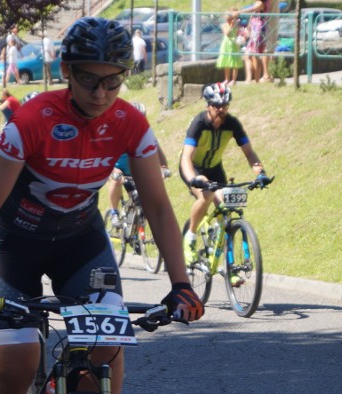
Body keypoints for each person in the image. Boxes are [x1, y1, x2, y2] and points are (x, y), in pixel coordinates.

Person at [0, 17, 204, 394]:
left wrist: (181, 284)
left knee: (106, 347)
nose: (101, 93)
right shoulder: (29, 121)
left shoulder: (130, 122)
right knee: (15, 366)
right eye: (89, 80)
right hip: (16, 243)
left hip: (80, 242)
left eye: (113, 82)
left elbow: (158, 206)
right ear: (67, 71)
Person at [179, 83, 270, 267]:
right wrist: (193, 179)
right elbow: (186, 158)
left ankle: (229, 266)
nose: (221, 110)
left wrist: (260, 173)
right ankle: (190, 237)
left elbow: (249, 153)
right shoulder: (199, 123)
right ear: (208, 105)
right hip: (193, 167)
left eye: (225, 105)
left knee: (227, 208)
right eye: (216, 106)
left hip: (215, 169)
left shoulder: (232, 124)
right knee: (206, 195)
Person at [106, 101, 171, 227]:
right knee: (116, 180)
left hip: (136, 172)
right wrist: (113, 170)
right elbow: (104, 155)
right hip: (118, 170)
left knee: (139, 201)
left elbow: (158, 151)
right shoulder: (116, 133)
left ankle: (136, 235)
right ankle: (114, 212)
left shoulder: (146, 133)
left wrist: (164, 168)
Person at [216, 10, 244, 86]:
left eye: (230, 18)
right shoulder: (224, 25)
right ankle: (227, 79)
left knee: (235, 62)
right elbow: (227, 34)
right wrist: (231, 25)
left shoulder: (237, 25)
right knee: (226, 62)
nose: (229, 20)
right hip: (226, 44)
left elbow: (240, 33)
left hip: (234, 44)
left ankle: (234, 80)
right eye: (228, 18)